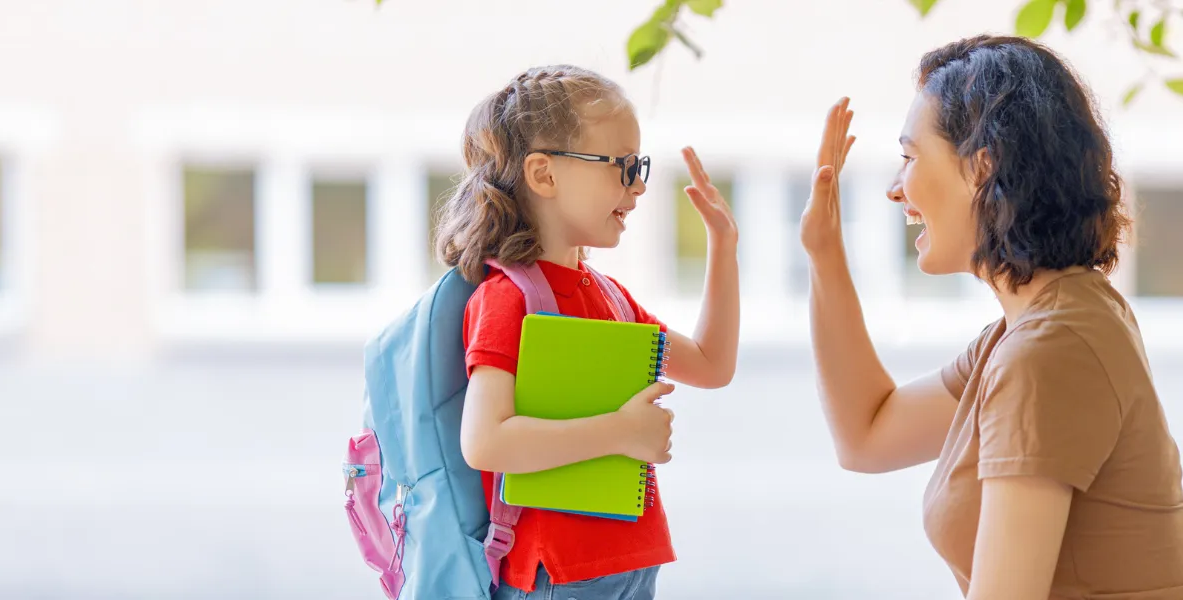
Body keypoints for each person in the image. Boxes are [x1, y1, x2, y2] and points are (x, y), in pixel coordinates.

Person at [801, 35, 1183, 599]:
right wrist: (825, 253)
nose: (894, 188)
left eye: (909, 158)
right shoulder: (1043, 325)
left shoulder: (1051, 348)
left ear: (984, 168)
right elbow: (867, 435)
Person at [433, 64, 741, 599]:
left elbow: (712, 365)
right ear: (544, 175)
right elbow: (485, 442)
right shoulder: (509, 299)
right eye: (622, 166)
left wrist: (724, 248)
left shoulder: (611, 296)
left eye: (639, 165)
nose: (640, 185)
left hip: (628, 562)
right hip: (560, 575)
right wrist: (621, 433)